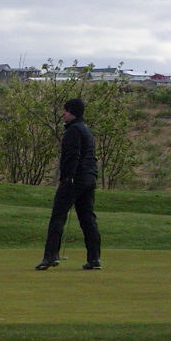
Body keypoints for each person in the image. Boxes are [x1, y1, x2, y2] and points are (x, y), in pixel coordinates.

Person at [35, 97, 101, 271]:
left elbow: (73, 155)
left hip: (74, 179)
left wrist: (67, 177)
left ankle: (50, 256)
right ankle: (94, 258)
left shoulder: (73, 131)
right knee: (87, 218)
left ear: (73, 112)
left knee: (58, 216)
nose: (63, 113)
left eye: (66, 110)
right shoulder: (86, 130)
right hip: (89, 178)